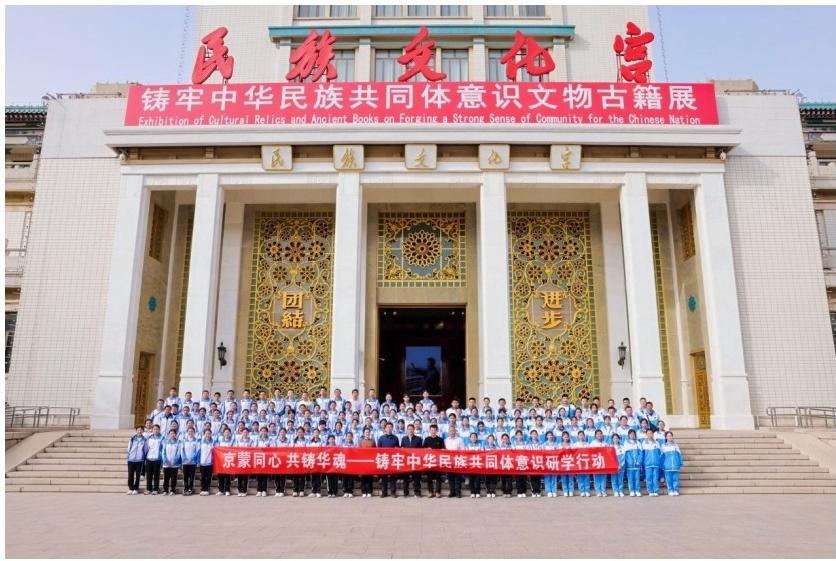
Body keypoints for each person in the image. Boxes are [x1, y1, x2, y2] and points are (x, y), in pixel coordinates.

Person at [377, 422, 400, 497]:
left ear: (392, 428)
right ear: (385, 428)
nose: (389, 428)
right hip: (384, 459)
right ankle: (384, 492)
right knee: (384, 478)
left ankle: (393, 492)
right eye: (387, 427)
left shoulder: (396, 438)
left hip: (393, 460)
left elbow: (398, 449)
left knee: (393, 477)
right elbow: (378, 450)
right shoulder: (381, 438)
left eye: (390, 427)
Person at [401, 423, 423, 497]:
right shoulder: (404, 439)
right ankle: (405, 492)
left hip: (415, 461)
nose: (410, 430)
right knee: (405, 478)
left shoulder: (418, 439)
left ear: (414, 430)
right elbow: (402, 449)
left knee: (416, 478)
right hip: (406, 461)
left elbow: (421, 450)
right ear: (407, 430)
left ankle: (417, 492)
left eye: (411, 429)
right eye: (409, 429)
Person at [422, 424, 445, 498]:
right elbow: (422, 450)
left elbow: (443, 449)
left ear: (436, 431)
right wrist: (427, 449)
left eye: (434, 430)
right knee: (429, 477)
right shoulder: (427, 439)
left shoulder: (440, 439)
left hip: (438, 461)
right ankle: (430, 492)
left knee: (438, 477)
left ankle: (438, 492)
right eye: (431, 430)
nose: (433, 431)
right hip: (429, 461)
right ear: (430, 431)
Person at [444, 425, 464, 498]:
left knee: (458, 478)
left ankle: (458, 492)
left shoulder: (460, 440)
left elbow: (463, 450)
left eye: (453, 430)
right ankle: (452, 492)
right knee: (450, 478)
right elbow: (444, 451)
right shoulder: (446, 440)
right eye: (450, 431)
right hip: (449, 460)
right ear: (448, 432)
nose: (452, 432)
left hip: (457, 460)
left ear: (455, 431)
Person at [143, 424, 164, 495]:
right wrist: (145, 458)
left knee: (156, 475)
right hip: (149, 458)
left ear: (159, 430)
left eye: (157, 429)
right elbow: (146, 448)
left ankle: (155, 489)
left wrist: (161, 458)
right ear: (152, 430)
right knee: (149, 475)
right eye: (154, 429)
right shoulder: (149, 438)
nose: (155, 430)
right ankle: (148, 489)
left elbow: (163, 449)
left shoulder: (162, 438)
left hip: (157, 459)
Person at [641, 428, 662, 496]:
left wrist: (659, 461)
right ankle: (650, 491)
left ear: (653, 434)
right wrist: (643, 462)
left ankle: (655, 490)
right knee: (649, 478)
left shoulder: (657, 443)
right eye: (648, 433)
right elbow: (642, 454)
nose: (649, 435)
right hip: (648, 463)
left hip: (656, 463)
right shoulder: (644, 443)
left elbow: (659, 453)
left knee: (655, 477)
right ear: (646, 435)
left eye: (651, 433)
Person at [661, 431, 683, 496]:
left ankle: (675, 490)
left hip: (675, 465)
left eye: (670, 436)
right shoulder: (663, 446)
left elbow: (679, 454)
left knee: (675, 478)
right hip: (667, 465)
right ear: (666, 437)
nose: (670, 437)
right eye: (668, 436)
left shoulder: (675, 445)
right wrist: (662, 464)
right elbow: (661, 456)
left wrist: (680, 462)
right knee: (669, 479)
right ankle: (670, 490)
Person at [161, 429, 181, 496]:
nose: (172, 435)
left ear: (175, 435)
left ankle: (172, 490)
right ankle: (165, 490)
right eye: (171, 433)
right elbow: (163, 452)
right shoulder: (165, 442)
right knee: (166, 478)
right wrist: (165, 460)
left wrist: (174, 461)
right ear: (169, 435)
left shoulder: (178, 443)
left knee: (173, 478)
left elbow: (178, 453)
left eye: (173, 433)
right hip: (166, 464)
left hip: (174, 464)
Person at [126, 427, 146, 495]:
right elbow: (129, 448)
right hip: (131, 459)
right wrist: (129, 456)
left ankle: (136, 489)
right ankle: (130, 488)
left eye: (141, 430)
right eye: (138, 430)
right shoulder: (132, 438)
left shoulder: (145, 440)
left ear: (143, 431)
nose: (139, 431)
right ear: (136, 431)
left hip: (139, 460)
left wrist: (142, 457)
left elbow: (145, 449)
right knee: (130, 474)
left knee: (138, 476)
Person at [181, 427, 200, 496]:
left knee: (192, 477)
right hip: (185, 462)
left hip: (193, 462)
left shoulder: (196, 441)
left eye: (192, 431)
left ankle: (190, 489)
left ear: (194, 432)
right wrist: (185, 459)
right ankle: (185, 488)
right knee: (185, 476)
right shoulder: (184, 440)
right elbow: (182, 450)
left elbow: (197, 451)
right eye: (189, 431)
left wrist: (191, 459)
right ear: (187, 432)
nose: (190, 432)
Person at [234, 428, 254, 497]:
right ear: (241, 433)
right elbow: (235, 449)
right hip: (239, 459)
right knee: (239, 477)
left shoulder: (251, 441)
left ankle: (244, 491)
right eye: (244, 432)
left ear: (248, 433)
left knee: (245, 477)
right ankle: (240, 490)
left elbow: (252, 449)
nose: (245, 433)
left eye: (246, 432)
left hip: (247, 460)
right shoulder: (238, 440)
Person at [624, 429, 643, 497]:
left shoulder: (638, 443)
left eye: (633, 434)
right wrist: (630, 462)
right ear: (628, 435)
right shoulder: (626, 443)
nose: (632, 435)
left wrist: (638, 461)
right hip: (630, 465)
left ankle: (637, 490)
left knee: (637, 478)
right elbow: (626, 454)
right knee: (630, 478)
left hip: (637, 464)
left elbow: (640, 453)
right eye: (631, 434)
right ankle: (632, 491)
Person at [358, 427, 376, 497]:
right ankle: (363, 491)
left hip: (370, 461)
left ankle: (369, 491)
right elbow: (358, 451)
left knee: (369, 477)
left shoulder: (372, 441)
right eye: (366, 432)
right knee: (363, 477)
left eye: (368, 432)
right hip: (363, 461)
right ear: (363, 433)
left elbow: (375, 450)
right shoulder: (361, 441)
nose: (367, 433)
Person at [254, 427, 272, 497]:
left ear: (267, 432)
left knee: (265, 475)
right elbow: (254, 447)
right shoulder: (257, 439)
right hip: (258, 458)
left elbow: (272, 448)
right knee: (259, 475)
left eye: (265, 431)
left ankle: (264, 490)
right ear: (260, 432)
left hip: (266, 459)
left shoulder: (270, 439)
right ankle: (259, 490)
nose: (263, 432)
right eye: (262, 431)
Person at [573, 430, 591, 497]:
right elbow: (573, 454)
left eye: (582, 435)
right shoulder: (575, 444)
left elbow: (590, 453)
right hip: (579, 462)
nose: (581, 436)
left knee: (586, 477)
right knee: (580, 477)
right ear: (578, 436)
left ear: (584, 436)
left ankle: (587, 490)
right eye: (580, 435)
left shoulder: (587, 444)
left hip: (586, 462)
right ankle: (582, 491)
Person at [466, 431, 483, 498]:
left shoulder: (480, 445)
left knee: (478, 479)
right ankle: (472, 492)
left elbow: (482, 453)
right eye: (472, 437)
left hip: (478, 463)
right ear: (470, 438)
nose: (473, 438)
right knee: (471, 479)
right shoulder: (467, 445)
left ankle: (478, 492)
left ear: (477, 438)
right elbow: (466, 453)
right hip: (470, 463)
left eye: (474, 437)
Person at [198, 429, 215, 496]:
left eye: (209, 433)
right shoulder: (201, 442)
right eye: (206, 433)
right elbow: (198, 452)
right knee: (202, 476)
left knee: (208, 477)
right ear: (204, 434)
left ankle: (207, 489)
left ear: (211, 434)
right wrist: (198, 461)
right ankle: (203, 489)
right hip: (202, 462)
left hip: (210, 463)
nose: (207, 435)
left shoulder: (213, 442)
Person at [542, 431, 558, 497]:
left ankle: (553, 490)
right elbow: (542, 453)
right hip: (547, 461)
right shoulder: (544, 444)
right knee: (547, 476)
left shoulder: (555, 444)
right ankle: (548, 491)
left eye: (551, 435)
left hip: (554, 461)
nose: (550, 436)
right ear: (546, 436)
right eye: (548, 435)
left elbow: (558, 452)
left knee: (553, 476)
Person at [527, 430, 543, 497]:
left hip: (539, 462)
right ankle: (533, 491)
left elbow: (543, 452)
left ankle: (538, 491)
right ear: (531, 435)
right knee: (532, 477)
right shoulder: (528, 444)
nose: (534, 435)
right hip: (531, 462)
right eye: (533, 434)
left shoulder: (540, 443)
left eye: (535, 434)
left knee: (538, 477)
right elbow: (527, 453)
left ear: (537, 435)